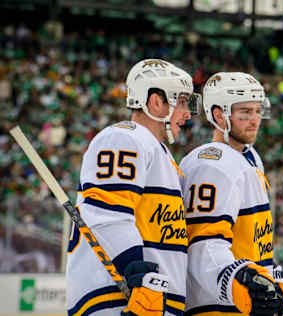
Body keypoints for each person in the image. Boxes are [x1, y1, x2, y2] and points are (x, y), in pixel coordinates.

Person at [66, 58, 200, 316]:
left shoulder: (161, 154)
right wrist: (138, 274)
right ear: (156, 102)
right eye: (181, 102)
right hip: (117, 299)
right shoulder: (124, 137)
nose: (187, 114)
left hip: (151, 299)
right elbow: (108, 216)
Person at [180, 72, 283, 316]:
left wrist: (270, 277)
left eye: (258, 111)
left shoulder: (250, 158)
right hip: (216, 306)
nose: (255, 120)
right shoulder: (210, 163)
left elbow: (254, 242)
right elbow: (203, 244)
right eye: (245, 113)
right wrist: (238, 279)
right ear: (218, 115)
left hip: (243, 305)